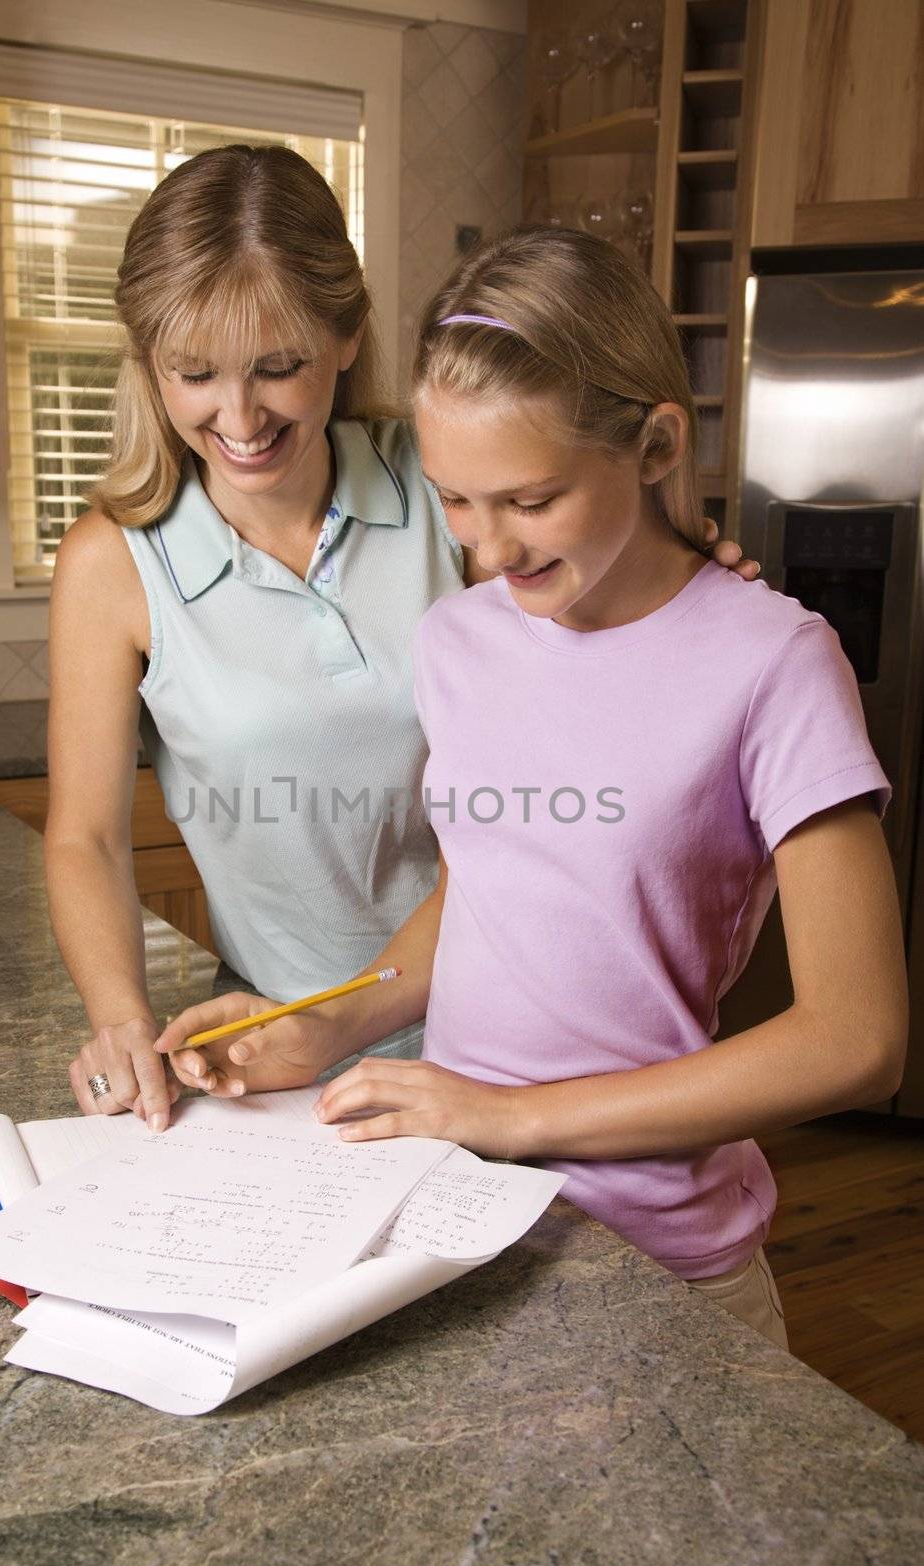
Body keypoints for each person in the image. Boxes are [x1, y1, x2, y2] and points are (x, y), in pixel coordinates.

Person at [159, 226, 908, 1349]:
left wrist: (512, 1117)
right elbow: (491, 892)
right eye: (455, 502)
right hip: (456, 1221)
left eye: (529, 498)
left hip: (656, 1258)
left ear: (655, 443)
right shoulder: (458, 640)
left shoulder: (774, 661)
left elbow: (857, 1039)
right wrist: (323, 1024)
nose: (488, 548)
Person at [50, 147, 756, 1136]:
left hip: (504, 1041)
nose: (240, 417)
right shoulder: (112, 564)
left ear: (346, 335)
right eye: (194, 374)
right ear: (148, 365)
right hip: (279, 1043)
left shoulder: (449, 490)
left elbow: (584, 684)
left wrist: (691, 580)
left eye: (278, 367)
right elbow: (83, 835)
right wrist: (120, 1016)